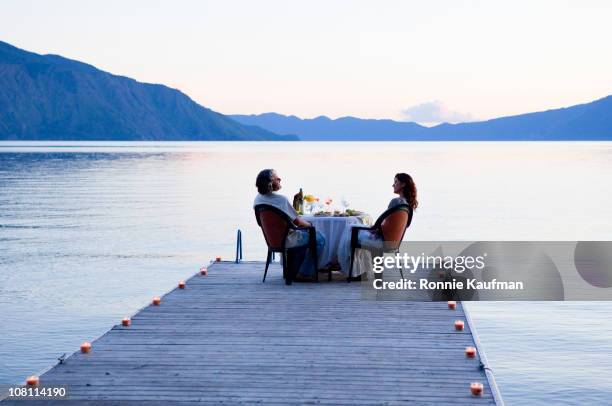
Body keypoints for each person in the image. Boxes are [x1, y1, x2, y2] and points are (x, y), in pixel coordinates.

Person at [341, 173, 418, 279]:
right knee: (357, 230)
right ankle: (359, 270)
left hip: (382, 241)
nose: (393, 185)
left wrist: (375, 229)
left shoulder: (396, 201)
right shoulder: (407, 205)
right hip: (393, 242)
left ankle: (352, 270)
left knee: (350, 229)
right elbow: (399, 224)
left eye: (395, 182)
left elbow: (386, 222)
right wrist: (378, 228)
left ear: (403, 184)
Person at [254, 169, 325, 279]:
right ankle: (305, 273)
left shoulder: (258, 200)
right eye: (277, 178)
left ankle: (295, 270)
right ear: (271, 182)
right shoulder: (281, 200)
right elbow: (298, 222)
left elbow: (260, 223)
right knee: (319, 238)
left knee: (306, 235)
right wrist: (310, 226)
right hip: (288, 239)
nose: (280, 179)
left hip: (272, 240)